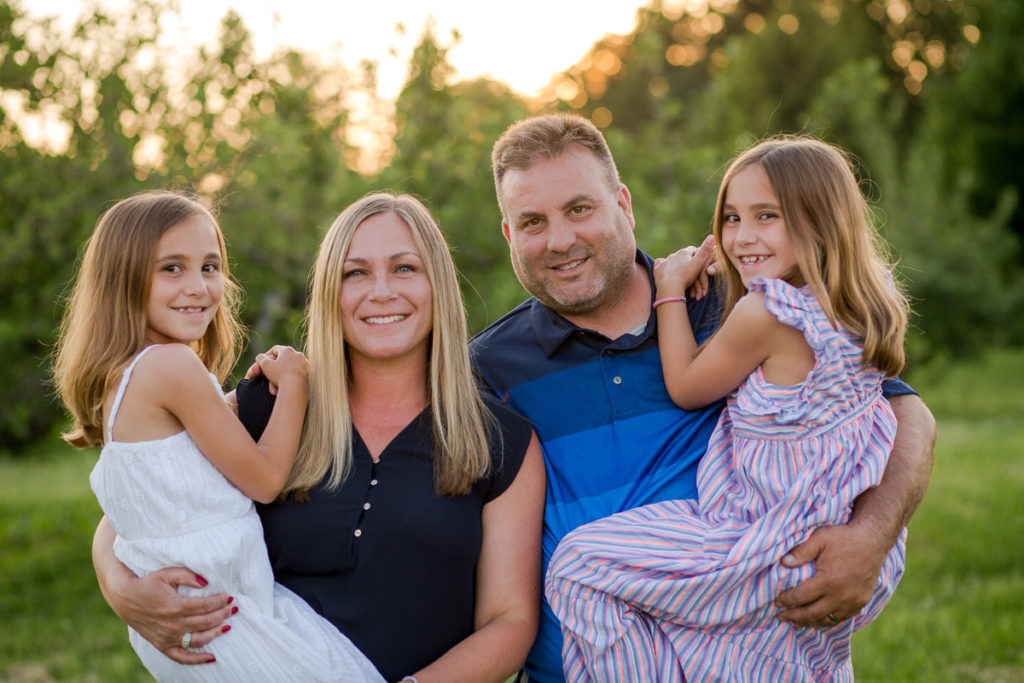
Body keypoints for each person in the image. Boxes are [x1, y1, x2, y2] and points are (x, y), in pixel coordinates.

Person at [469, 114, 935, 683]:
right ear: (509, 235)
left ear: (623, 203)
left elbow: (902, 409)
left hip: (752, 656)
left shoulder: (729, 302)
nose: (561, 239)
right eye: (533, 221)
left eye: (580, 209)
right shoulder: (487, 368)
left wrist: (872, 536)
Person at [91, 192, 546, 683]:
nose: (381, 291)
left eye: (405, 268)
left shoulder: (502, 443)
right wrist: (119, 587)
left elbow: (509, 621)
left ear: (438, 283)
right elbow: (138, 503)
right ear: (330, 289)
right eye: (356, 273)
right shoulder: (269, 404)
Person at [53, 190, 385, 682]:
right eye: (172, 268)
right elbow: (266, 479)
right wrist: (295, 381)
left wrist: (230, 402)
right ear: (122, 278)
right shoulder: (171, 365)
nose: (198, 286)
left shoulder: (122, 376)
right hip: (221, 613)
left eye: (210, 266)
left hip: (194, 614)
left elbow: (179, 466)